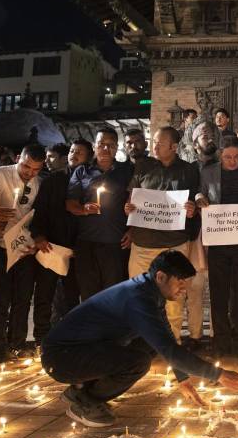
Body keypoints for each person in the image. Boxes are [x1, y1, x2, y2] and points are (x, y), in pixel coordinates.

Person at [41, 250, 238, 427]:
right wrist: (218, 374)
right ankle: (85, 401)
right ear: (160, 277)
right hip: (62, 357)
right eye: (180, 281)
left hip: (81, 349)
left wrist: (182, 378)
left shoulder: (148, 292)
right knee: (137, 362)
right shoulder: (138, 299)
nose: (183, 288)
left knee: (148, 347)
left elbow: (166, 338)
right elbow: (169, 349)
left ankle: (80, 389)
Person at [125, 127, 200, 340]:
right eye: (153, 142)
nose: (153, 147)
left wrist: (192, 208)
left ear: (174, 147)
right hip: (142, 244)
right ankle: (141, 345)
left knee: (174, 300)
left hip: (174, 245)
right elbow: (132, 198)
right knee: (139, 296)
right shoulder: (143, 166)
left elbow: (194, 200)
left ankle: (172, 344)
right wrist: (128, 208)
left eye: (159, 143)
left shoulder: (189, 170)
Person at [0, 144, 51, 363]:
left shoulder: (40, 184)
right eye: (26, 166)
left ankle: (18, 343)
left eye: (35, 170)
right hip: (1, 246)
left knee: (22, 298)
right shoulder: (0, 174)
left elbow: (39, 215)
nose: (29, 173)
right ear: (18, 157)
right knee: (0, 298)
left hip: (25, 248)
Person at [195, 137, 238, 357]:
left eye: (237, 157)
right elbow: (199, 192)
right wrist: (200, 198)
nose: (233, 161)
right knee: (218, 293)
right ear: (220, 155)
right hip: (218, 240)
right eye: (228, 157)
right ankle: (221, 342)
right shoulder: (208, 172)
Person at [68, 134, 132, 299]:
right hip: (87, 242)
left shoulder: (127, 171)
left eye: (111, 145)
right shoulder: (82, 171)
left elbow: (137, 203)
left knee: (114, 294)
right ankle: (92, 325)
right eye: (102, 144)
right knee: (89, 293)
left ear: (117, 147)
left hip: (116, 244)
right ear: (94, 145)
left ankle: (110, 325)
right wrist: (83, 209)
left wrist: (133, 230)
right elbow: (70, 204)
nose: (106, 148)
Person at [32, 139, 89, 324]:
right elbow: (40, 210)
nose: (74, 154)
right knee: (45, 295)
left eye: (79, 152)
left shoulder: (90, 183)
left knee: (71, 296)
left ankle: (69, 336)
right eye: (72, 151)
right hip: (51, 244)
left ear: (89, 156)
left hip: (77, 248)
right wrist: (39, 235)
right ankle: (42, 336)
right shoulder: (53, 181)